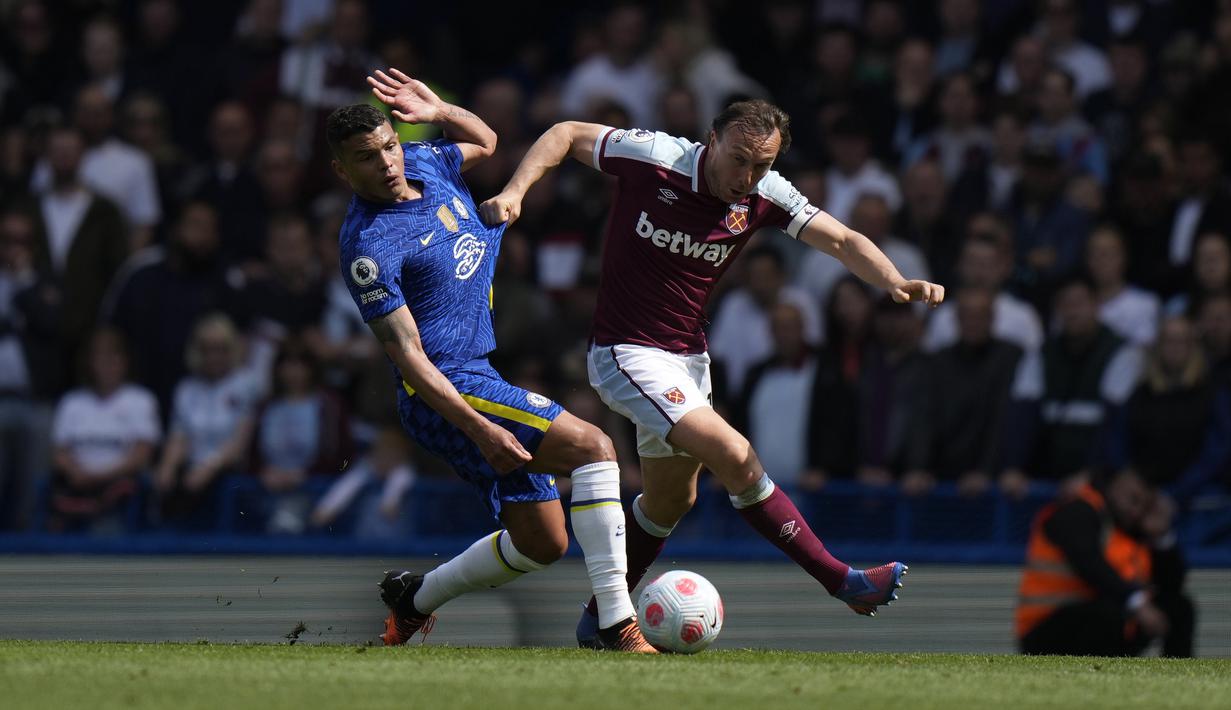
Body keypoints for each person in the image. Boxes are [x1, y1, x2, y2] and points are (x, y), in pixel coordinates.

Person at [482, 98, 945, 646]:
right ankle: (840, 579)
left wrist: (893, 280)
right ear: (712, 140)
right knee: (735, 454)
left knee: (671, 501)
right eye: (740, 159)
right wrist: (515, 191)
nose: (747, 177)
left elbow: (842, 240)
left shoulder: (765, 196)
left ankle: (599, 621)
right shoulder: (654, 157)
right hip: (625, 352)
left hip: (685, 356)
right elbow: (564, 132)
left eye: (762, 166)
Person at [329, 68, 652, 652]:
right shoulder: (369, 247)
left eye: (386, 147)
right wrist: (480, 430)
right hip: (446, 390)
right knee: (594, 448)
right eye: (365, 158)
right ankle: (617, 623)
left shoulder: (425, 161)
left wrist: (440, 108)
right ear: (342, 170)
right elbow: (409, 360)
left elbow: (486, 141)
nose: (385, 163)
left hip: (480, 374)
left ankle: (415, 598)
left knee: (543, 542)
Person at [1016, 468, 1194, 657]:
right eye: (1133, 499)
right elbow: (1090, 565)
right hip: (1047, 626)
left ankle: (1178, 678)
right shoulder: (1078, 510)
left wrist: (1161, 536)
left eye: (1145, 505)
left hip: (1106, 616)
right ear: (1115, 487)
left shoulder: (1134, 527)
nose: (1135, 510)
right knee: (1109, 615)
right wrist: (1136, 602)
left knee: (1179, 608)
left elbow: (1172, 585)